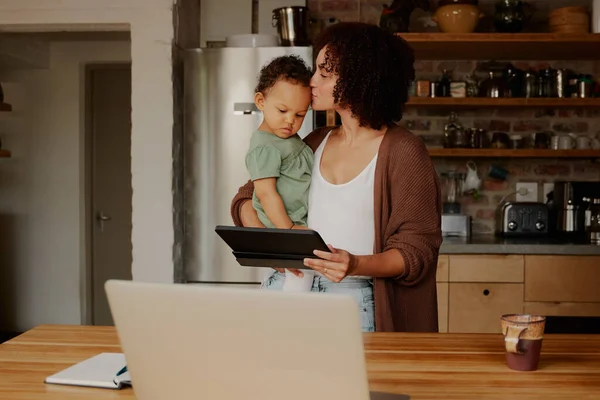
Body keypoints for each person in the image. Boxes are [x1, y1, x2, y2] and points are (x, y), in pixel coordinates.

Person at [231, 22, 442, 333]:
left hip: (354, 304)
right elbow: (248, 195)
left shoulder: (404, 152)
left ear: (359, 81)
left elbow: (417, 252)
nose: (312, 81)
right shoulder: (314, 141)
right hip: (288, 290)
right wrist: (272, 240)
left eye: (324, 74)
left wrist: (354, 264)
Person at [245, 55, 316, 292]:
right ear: (260, 101)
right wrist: (288, 231)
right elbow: (266, 194)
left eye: (299, 115)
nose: (290, 121)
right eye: (283, 110)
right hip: (285, 226)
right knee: (300, 279)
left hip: (295, 223)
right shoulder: (264, 146)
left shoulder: (287, 139)